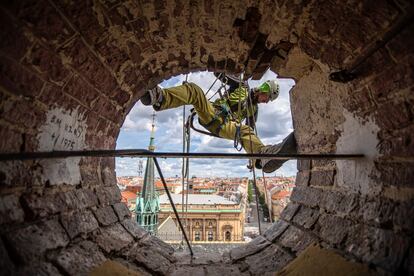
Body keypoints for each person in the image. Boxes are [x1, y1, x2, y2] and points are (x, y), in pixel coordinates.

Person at [140, 74, 297, 173]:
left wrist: (252, 157)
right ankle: (160, 98)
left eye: (268, 100)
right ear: (263, 89)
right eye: (267, 97)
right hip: (212, 113)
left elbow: (250, 136)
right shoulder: (241, 87)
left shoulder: (253, 110)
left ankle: (263, 157)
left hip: (227, 126)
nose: (266, 101)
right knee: (194, 91)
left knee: (246, 130)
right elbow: (221, 72)